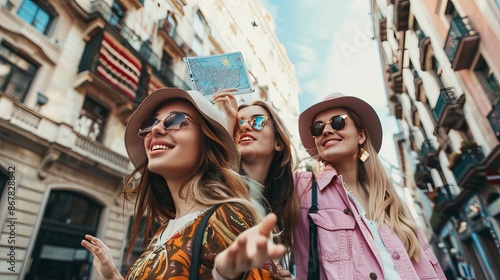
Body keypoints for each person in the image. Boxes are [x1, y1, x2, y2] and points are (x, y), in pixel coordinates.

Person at [217, 92, 447, 279]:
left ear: (360, 135)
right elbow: (248, 181)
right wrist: (231, 125)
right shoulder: (303, 188)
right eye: (317, 128)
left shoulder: (393, 204)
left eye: (338, 122)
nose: (326, 130)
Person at [81, 88, 286, 279]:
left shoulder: (227, 217)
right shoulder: (162, 231)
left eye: (176, 120)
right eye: (150, 124)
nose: (156, 130)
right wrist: (113, 276)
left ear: (207, 143)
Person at [213, 90, 299, 278]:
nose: (245, 128)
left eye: (258, 121)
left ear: (278, 142)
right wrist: (229, 121)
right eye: (240, 122)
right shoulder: (214, 189)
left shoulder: (276, 211)